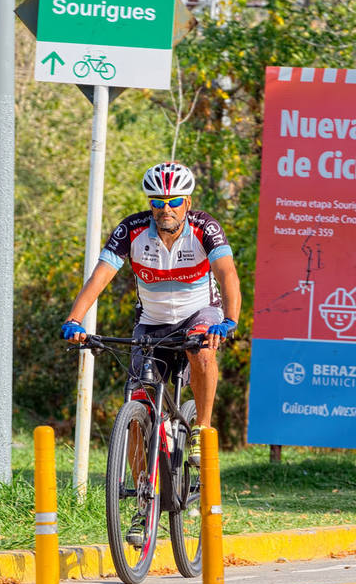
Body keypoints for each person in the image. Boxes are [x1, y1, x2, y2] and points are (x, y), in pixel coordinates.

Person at [62, 161, 241, 541]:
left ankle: (201, 428)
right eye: (158, 201)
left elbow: (227, 273)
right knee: (136, 410)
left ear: (187, 202)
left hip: (199, 312)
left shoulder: (204, 228)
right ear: (150, 204)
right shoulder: (130, 230)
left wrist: (230, 319)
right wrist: (76, 319)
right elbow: (101, 275)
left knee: (203, 350)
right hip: (153, 322)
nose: (166, 209)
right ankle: (144, 505)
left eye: (175, 200)